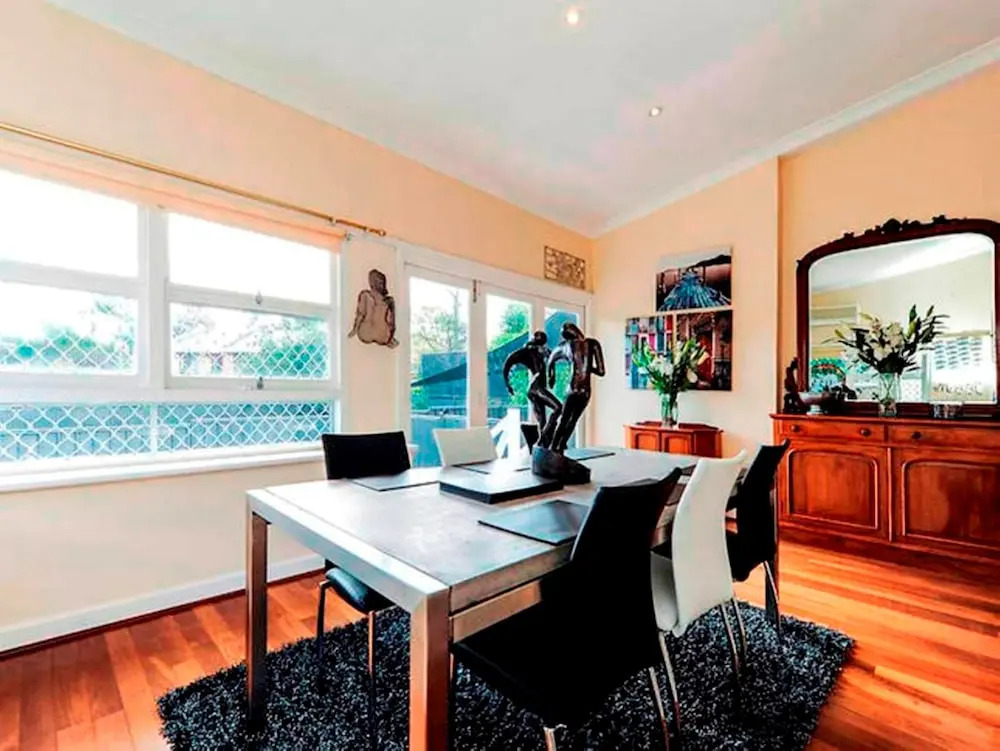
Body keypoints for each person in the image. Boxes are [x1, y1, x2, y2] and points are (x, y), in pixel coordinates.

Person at [545, 322, 605, 452]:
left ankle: (553, 447)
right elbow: (601, 371)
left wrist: (551, 376)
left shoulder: (565, 346)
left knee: (564, 420)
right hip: (585, 390)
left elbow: (550, 360)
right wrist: (587, 367)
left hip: (572, 388)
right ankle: (561, 446)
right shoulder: (593, 343)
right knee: (573, 421)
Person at [502, 331, 563, 447]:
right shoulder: (528, 351)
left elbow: (552, 361)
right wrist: (507, 384)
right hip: (536, 388)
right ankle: (544, 436)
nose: (542, 340)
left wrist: (552, 375)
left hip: (536, 388)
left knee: (542, 420)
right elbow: (508, 361)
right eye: (540, 338)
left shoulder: (544, 351)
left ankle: (543, 443)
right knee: (558, 407)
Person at [348, 269, 398, 348]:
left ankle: (390, 339)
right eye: (379, 282)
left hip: (372, 334)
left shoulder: (386, 300)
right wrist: (355, 329)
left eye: (381, 282)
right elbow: (360, 314)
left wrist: (354, 330)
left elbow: (360, 314)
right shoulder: (366, 295)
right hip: (375, 333)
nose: (381, 284)